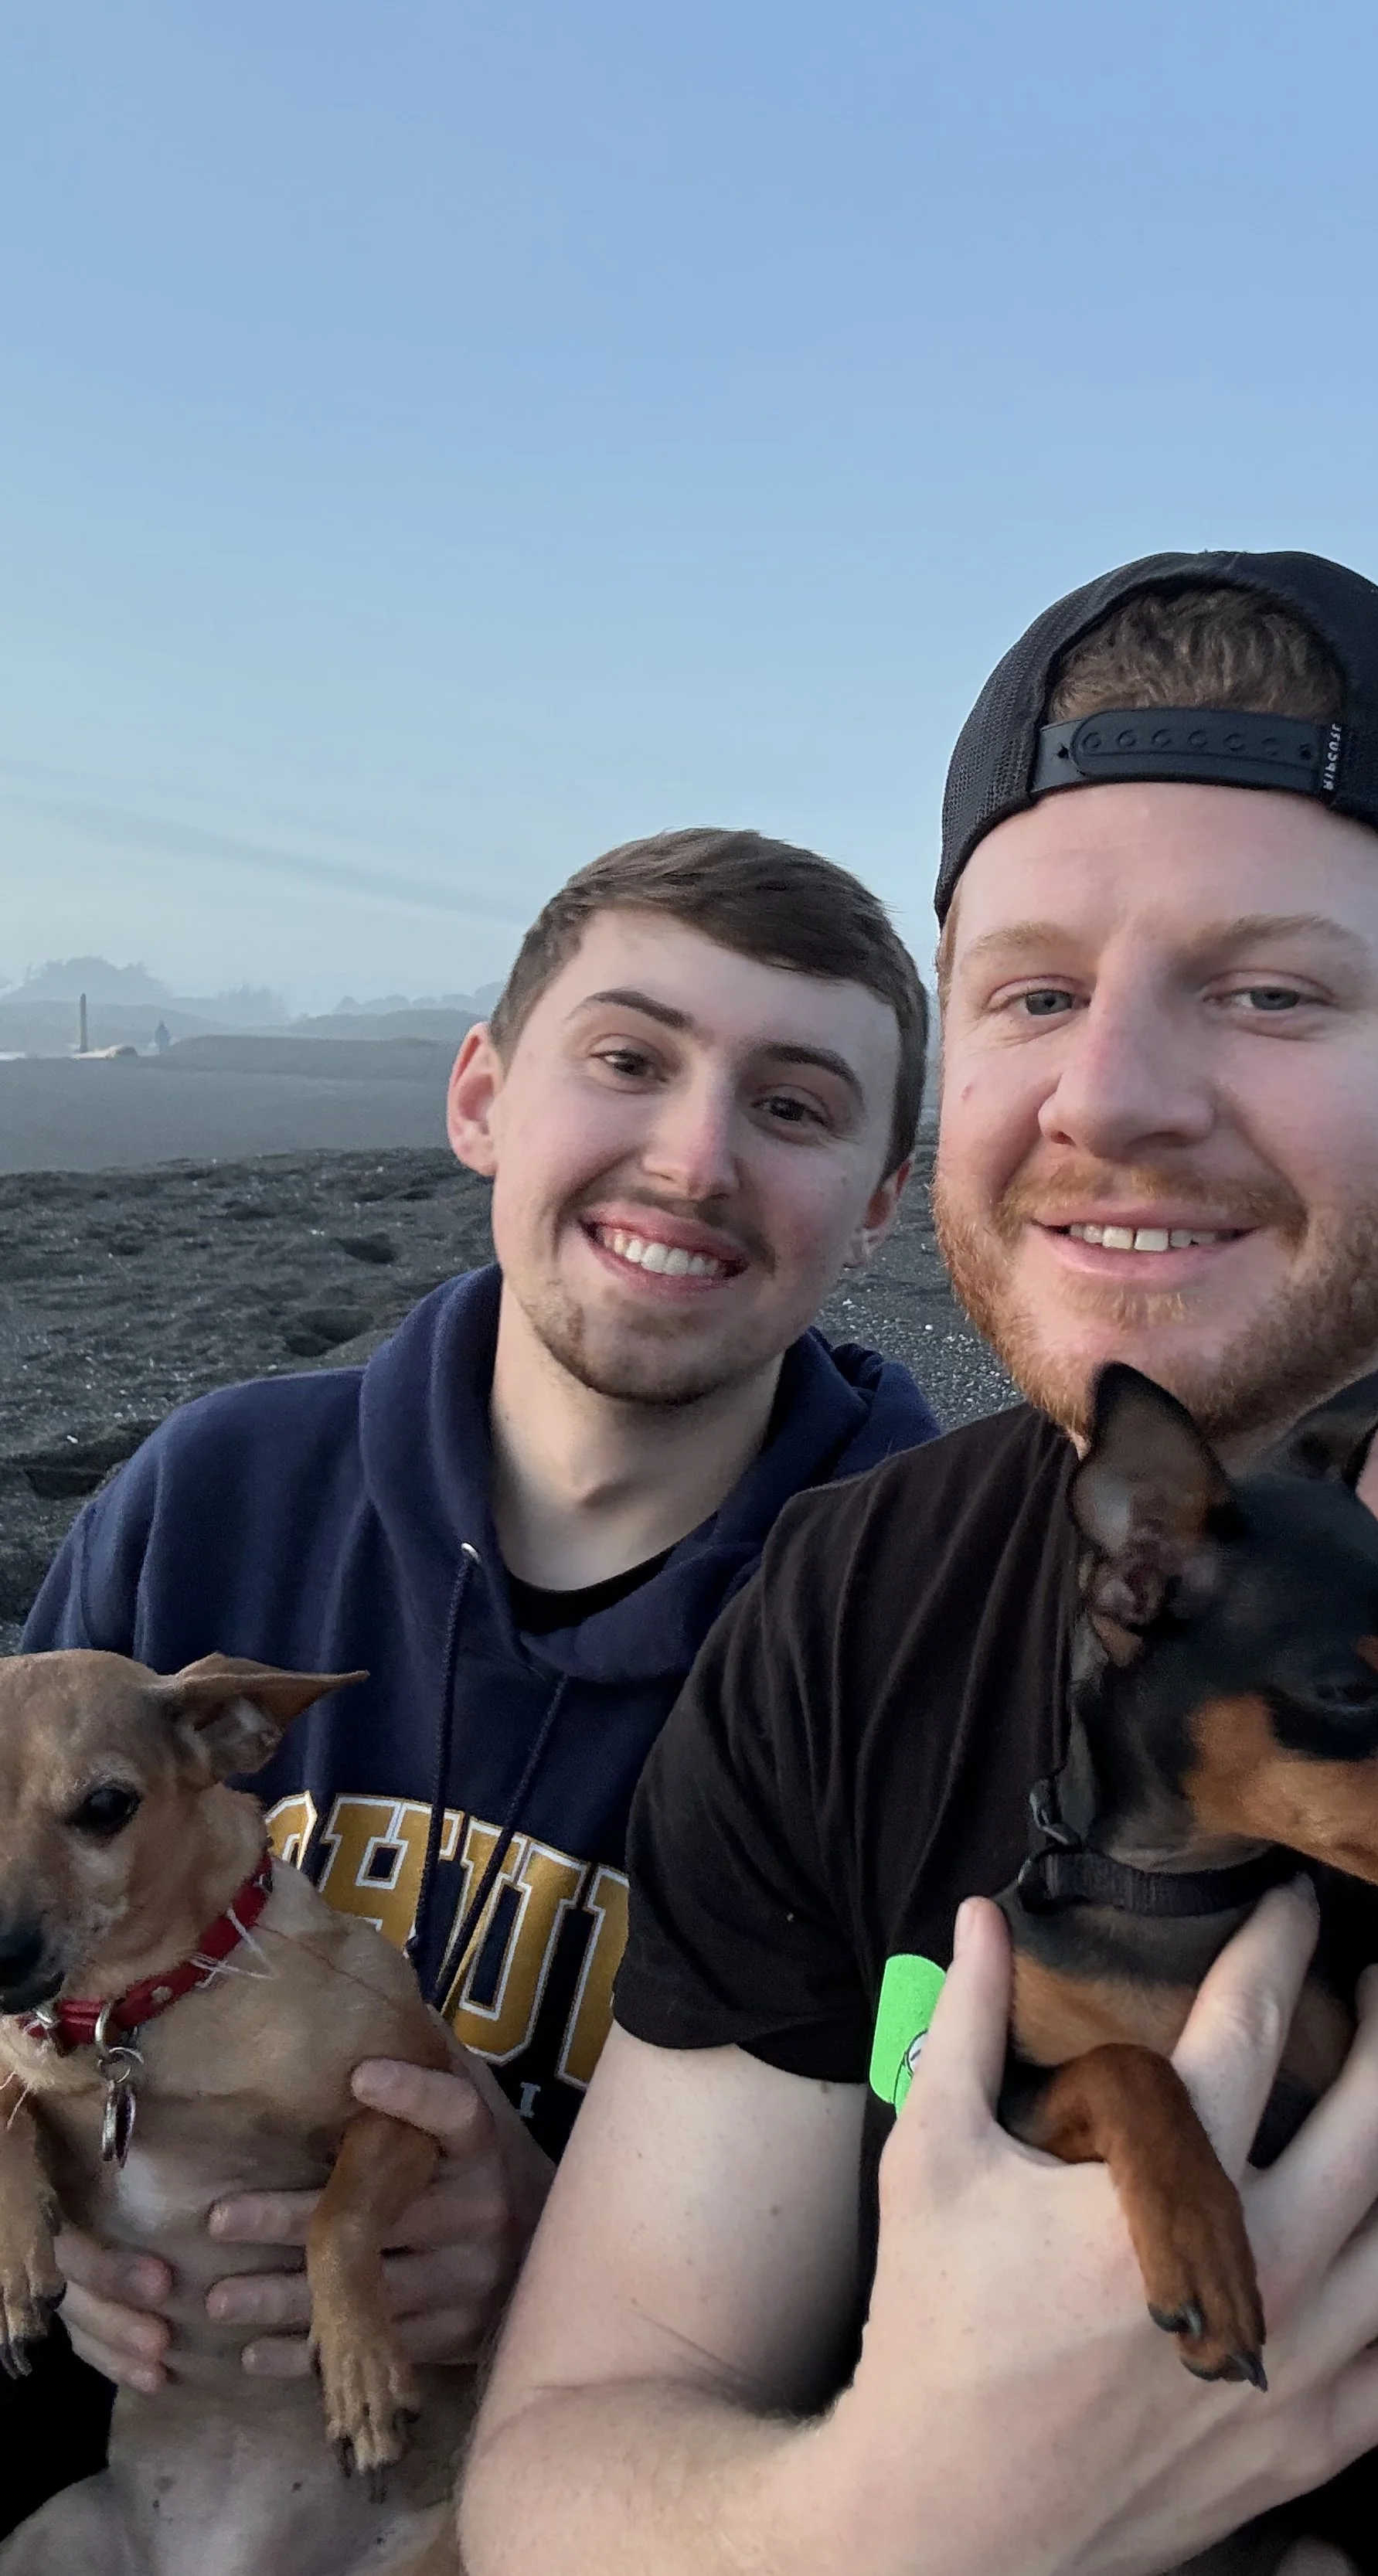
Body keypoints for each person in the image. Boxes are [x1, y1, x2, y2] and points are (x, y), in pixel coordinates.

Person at [464, 556, 1378, 2576]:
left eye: (1267, 990)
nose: (1113, 1097)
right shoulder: (842, 1605)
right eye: (1033, 994)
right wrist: (927, 2512)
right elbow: (556, 2472)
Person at [15, 827, 937, 2494]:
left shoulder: (923, 1628)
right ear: (481, 1098)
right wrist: (55, 2210)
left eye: (792, 1106)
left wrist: (598, 2279)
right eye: (627, 1061)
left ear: (879, 1202)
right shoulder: (209, 1499)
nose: (693, 1157)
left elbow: (937, 2169)